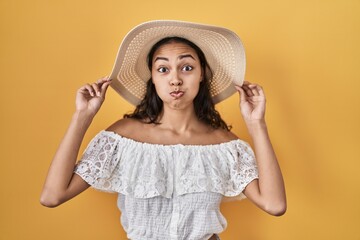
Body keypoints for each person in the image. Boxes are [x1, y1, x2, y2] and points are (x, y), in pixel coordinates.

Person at [40, 20, 286, 240]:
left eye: (187, 67)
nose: (175, 79)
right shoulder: (122, 138)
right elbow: (52, 196)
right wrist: (82, 117)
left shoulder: (224, 146)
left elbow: (274, 205)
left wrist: (256, 124)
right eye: (163, 69)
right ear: (153, 79)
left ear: (202, 75)